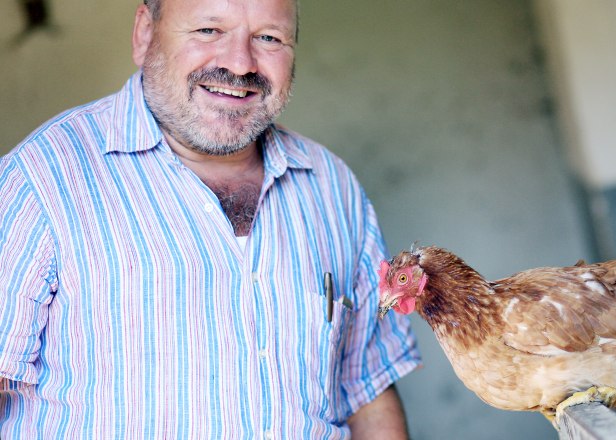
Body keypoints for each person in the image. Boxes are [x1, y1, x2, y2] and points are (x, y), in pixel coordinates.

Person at [0, 0, 421, 438]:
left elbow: (368, 390)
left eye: (269, 38)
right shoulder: (40, 180)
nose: (239, 64)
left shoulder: (333, 187)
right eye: (208, 30)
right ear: (145, 32)